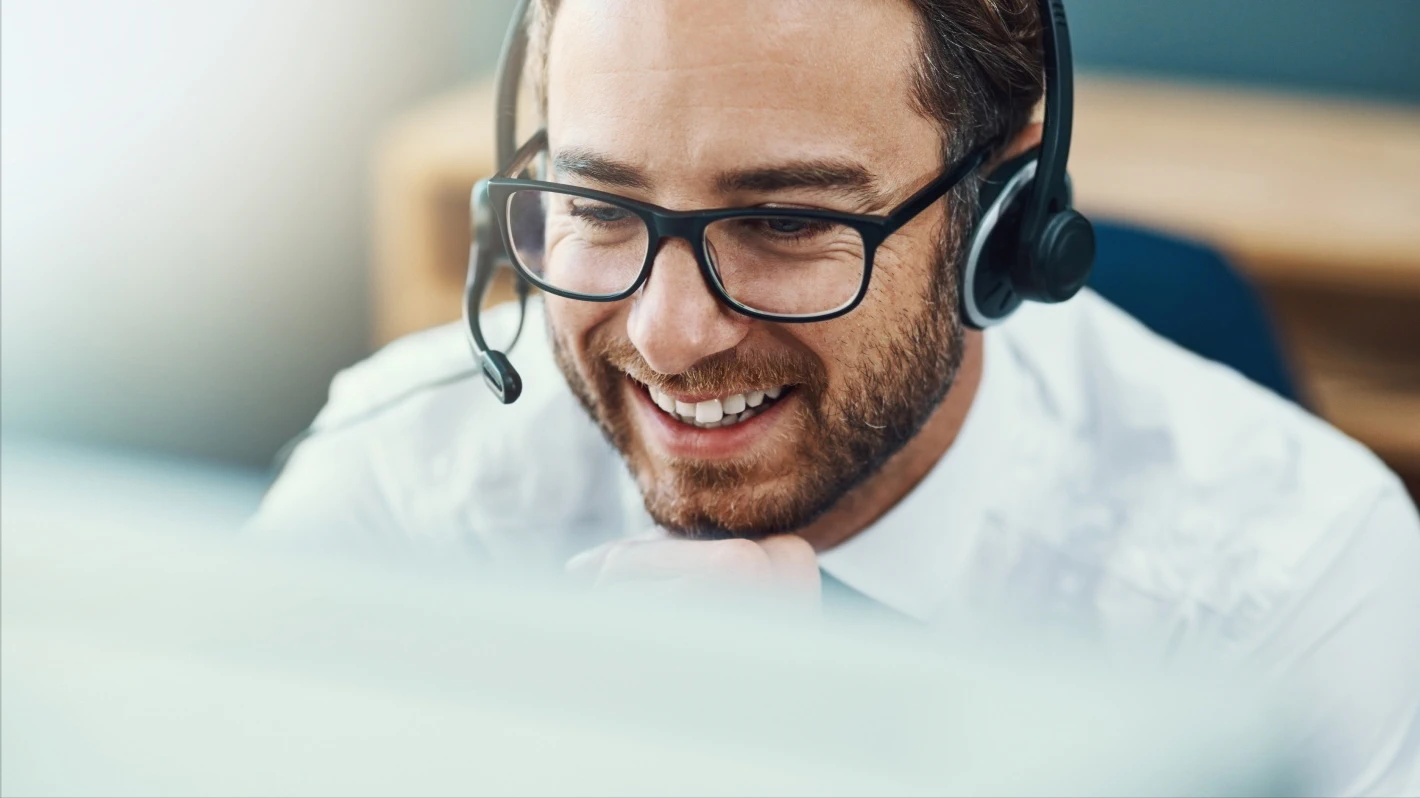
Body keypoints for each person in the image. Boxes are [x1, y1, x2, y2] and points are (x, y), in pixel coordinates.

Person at [253, 1, 1420, 793]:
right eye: (600, 209)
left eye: (785, 221)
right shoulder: (403, 489)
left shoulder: (1293, 586)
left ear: (999, 218)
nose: (666, 335)